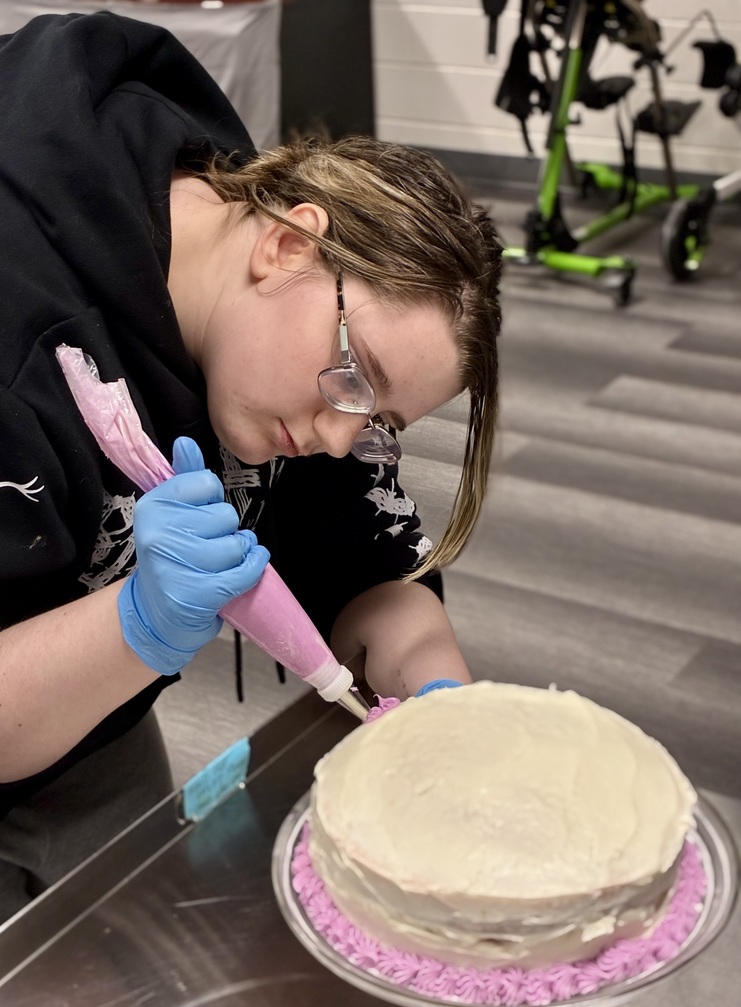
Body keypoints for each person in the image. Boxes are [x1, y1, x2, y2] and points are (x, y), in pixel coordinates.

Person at [0, 11, 502, 921]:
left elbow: (368, 570)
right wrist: (138, 623)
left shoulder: (279, 324)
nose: (339, 439)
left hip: (89, 727)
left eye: (377, 420)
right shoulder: (17, 339)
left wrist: (442, 707)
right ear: (288, 246)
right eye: (356, 384)